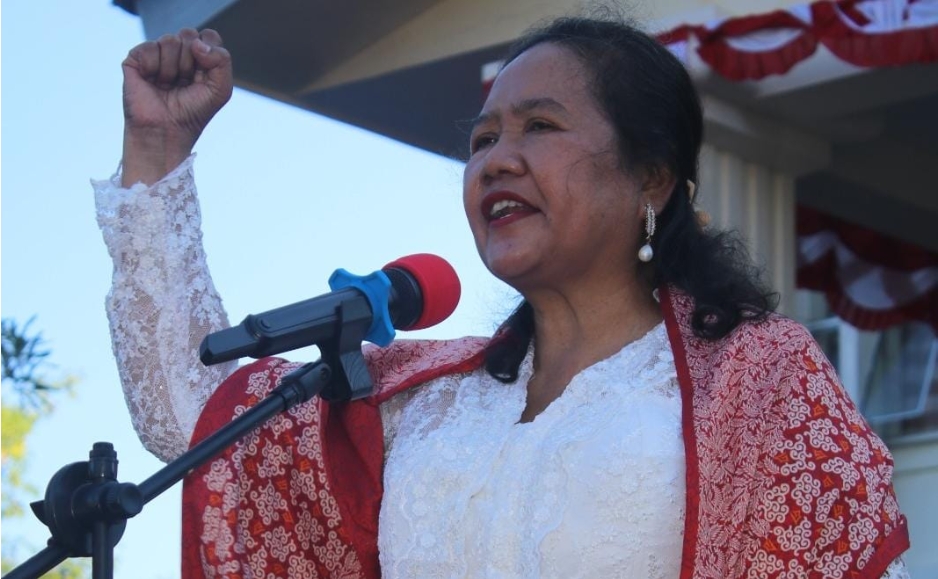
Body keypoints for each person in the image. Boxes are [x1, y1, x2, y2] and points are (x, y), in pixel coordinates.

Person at [95, 15, 911, 579]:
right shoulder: (424, 400)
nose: (496, 159)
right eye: (484, 139)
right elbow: (195, 409)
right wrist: (158, 151)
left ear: (652, 178)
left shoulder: (755, 375)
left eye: (540, 127)